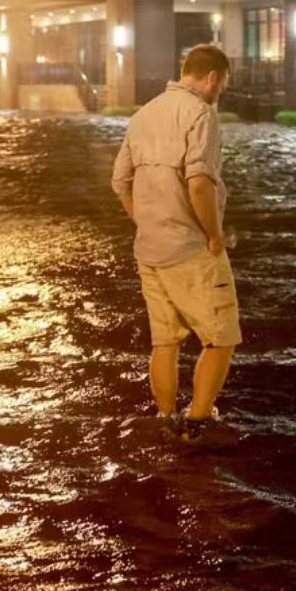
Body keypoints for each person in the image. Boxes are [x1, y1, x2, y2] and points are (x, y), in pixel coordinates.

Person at [111, 44, 239, 441]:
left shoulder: (143, 114)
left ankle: (166, 417)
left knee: (164, 341)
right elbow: (199, 183)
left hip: (149, 248)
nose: (220, 92)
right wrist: (214, 237)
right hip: (189, 249)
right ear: (212, 78)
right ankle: (198, 421)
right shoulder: (201, 113)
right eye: (223, 85)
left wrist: (145, 221)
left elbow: (119, 182)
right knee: (220, 337)